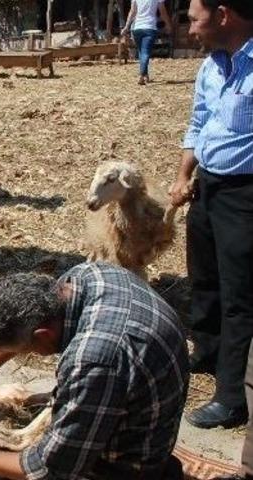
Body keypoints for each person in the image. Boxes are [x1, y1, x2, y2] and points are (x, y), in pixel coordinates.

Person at [0, 264, 189, 479]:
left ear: (42, 336)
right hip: (140, 391)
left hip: (128, 463)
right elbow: (34, 322)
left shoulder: (93, 361)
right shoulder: (87, 276)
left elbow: (52, 469)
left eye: (26, 350)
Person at [168, 0, 253, 430]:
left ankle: (233, 395)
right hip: (207, 185)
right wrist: (184, 175)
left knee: (240, 293)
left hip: (245, 193)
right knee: (205, 277)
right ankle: (207, 352)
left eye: (194, 16)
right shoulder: (211, 66)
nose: (190, 26)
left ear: (224, 15)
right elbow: (198, 124)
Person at [121, 0, 173, 85]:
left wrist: (126, 27)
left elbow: (132, 11)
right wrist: (168, 24)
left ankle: (145, 75)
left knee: (142, 52)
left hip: (137, 28)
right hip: (149, 27)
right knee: (145, 52)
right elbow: (163, 12)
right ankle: (141, 76)